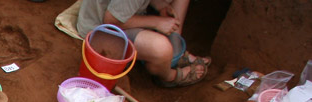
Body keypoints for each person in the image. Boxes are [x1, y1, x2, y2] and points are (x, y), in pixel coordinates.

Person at [77, 0, 211, 87]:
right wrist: (157, 22)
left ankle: (176, 49)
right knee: (161, 49)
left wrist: (160, 6)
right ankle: (169, 76)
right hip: (102, 29)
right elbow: (111, 20)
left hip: (123, 11)